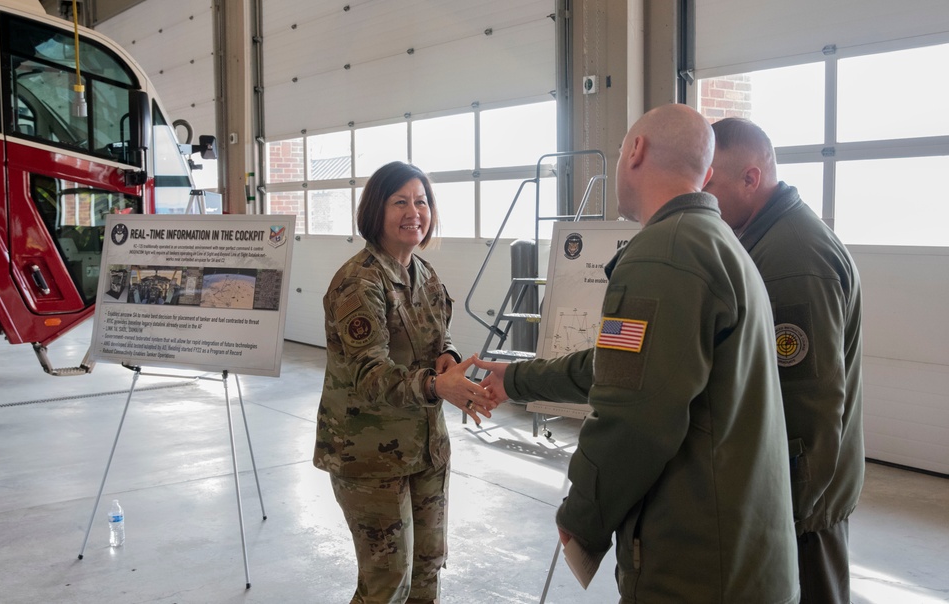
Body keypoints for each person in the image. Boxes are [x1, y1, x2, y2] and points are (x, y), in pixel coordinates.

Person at [475, 104, 799, 603]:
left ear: (636, 150)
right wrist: (516, 379)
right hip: (737, 554)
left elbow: (635, 417)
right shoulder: (716, 244)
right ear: (707, 173)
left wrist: (583, 514)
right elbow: (623, 367)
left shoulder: (665, 253)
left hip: (695, 566)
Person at [313, 161, 495, 604]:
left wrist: (449, 362)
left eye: (422, 201)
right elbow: (370, 376)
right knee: (387, 583)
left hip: (426, 448)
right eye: (400, 202)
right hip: (370, 459)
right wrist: (438, 386)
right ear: (377, 210)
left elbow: (439, 338)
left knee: (428, 569)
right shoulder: (359, 282)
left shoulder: (425, 274)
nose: (415, 211)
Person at [704, 117, 864, 604]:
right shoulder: (766, 241)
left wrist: (781, 517)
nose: (702, 196)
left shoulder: (793, 259)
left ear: (751, 179)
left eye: (711, 183)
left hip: (803, 513)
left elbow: (810, 411)